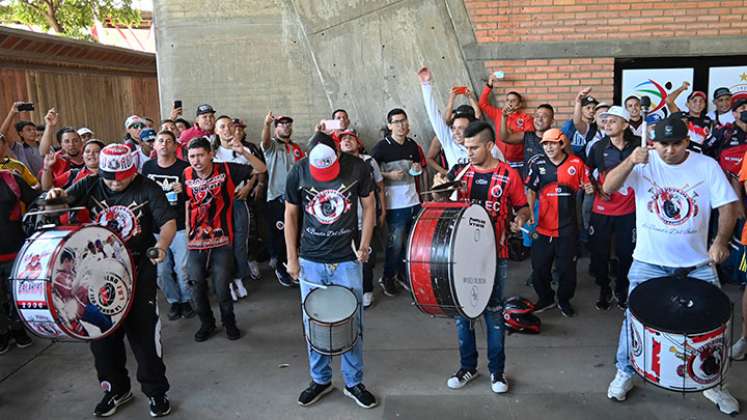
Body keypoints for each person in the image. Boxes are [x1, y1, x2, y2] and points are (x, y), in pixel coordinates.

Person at [602, 116, 739, 416]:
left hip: (697, 263)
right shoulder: (643, 161)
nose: (669, 150)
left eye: (676, 143)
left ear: (686, 141)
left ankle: (712, 382)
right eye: (663, 144)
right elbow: (608, 188)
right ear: (654, 142)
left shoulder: (705, 166)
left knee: (712, 326)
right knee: (633, 322)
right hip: (649, 261)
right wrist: (629, 162)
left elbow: (728, 206)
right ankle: (625, 371)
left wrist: (721, 241)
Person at [47, 143, 177, 417]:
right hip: (94, 274)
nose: (114, 184)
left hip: (138, 270)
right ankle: (115, 389)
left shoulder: (147, 188)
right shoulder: (90, 184)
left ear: (132, 171)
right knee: (101, 335)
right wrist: (56, 195)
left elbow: (168, 223)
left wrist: (162, 246)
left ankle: (156, 392)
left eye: (121, 179)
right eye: (109, 178)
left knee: (143, 335)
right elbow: (57, 203)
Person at [431, 120, 529, 394]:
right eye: (466, 147)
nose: (469, 152)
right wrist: (440, 186)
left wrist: (520, 219)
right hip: (460, 256)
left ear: (489, 145)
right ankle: (468, 367)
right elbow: (442, 202)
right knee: (463, 314)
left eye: (474, 147)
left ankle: (497, 372)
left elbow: (523, 208)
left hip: (496, 256)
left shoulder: (509, 175)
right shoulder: (460, 172)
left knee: (494, 314)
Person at [284, 132, 377, 409]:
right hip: (311, 260)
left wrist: (365, 245)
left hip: (347, 259)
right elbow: (290, 214)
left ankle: (353, 381)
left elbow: (369, 205)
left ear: (337, 152)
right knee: (315, 322)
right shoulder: (298, 171)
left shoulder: (357, 167)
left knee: (352, 322)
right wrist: (292, 258)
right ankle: (320, 379)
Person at [183, 137, 264, 342]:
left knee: (221, 286)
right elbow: (187, 205)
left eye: (201, 155)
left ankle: (229, 323)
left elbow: (261, 169)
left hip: (221, 239)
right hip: (196, 241)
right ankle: (206, 324)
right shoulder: (185, 174)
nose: (197, 160)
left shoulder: (227, 170)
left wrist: (244, 152)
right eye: (192, 156)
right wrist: (187, 233)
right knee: (196, 284)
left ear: (211, 154)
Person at [523, 129, 590, 317]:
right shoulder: (537, 163)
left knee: (567, 271)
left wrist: (590, 188)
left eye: (553, 143)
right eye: (545, 144)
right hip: (543, 228)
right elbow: (531, 189)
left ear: (562, 143)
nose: (549, 147)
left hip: (568, 229)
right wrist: (530, 212)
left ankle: (563, 300)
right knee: (539, 269)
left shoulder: (576, 163)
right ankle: (545, 298)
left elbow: (588, 186)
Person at [585, 106, 638, 310]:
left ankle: (622, 289)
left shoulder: (637, 146)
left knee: (627, 253)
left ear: (625, 124)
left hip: (628, 211)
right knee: (599, 253)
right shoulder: (598, 147)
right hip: (602, 209)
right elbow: (588, 171)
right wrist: (595, 186)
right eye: (605, 121)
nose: (607, 124)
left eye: (612, 121)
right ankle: (604, 288)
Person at [212, 116, 268, 300]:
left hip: (239, 202)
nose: (227, 129)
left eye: (229, 125)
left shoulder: (243, 149)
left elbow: (259, 169)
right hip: (218, 205)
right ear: (216, 131)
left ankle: (238, 278)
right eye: (222, 126)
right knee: (223, 245)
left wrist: (248, 186)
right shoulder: (212, 153)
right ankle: (226, 281)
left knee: (240, 243)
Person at [371, 108, 425, 296]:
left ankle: (403, 275)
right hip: (394, 205)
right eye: (396, 122)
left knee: (410, 243)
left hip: (413, 202)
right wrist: (388, 175)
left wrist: (417, 168)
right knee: (395, 244)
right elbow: (369, 172)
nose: (401, 125)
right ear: (389, 125)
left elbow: (417, 170)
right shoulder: (381, 147)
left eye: (403, 120)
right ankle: (387, 277)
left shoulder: (412, 145)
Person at [141, 130, 194, 321]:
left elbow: (195, 196)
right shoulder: (147, 167)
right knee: (162, 271)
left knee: (183, 268)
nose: (164, 144)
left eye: (168, 141)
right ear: (154, 145)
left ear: (175, 146)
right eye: (160, 141)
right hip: (156, 228)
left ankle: (187, 300)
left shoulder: (185, 167)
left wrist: (185, 190)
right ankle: (174, 301)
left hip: (180, 226)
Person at [417, 67, 504, 173]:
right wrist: (426, 85)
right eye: (454, 128)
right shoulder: (448, 140)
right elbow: (433, 115)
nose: (456, 132)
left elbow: (502, 170)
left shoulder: (487, 146)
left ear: (471, 129)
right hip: (457, 189)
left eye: (461, 128)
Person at [338, 129, 385, 308]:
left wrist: (383, 210)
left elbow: (379, 185)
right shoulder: (336, 164)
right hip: (343, 221)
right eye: (343, 139)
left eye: (351, 138)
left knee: (366, 258)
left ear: (359, 143)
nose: (347, 141)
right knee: (345, 259)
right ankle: (349, 290)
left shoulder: (368, 161)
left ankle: (366, 290)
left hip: (365, 219)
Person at [260, 112, 304, 287]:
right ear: (276, 128)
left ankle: (295, 266)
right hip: (277, 197)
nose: (285, 126)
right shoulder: (272, 147)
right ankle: (281, 267)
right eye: (281, 124)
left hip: (297, 199)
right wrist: (267, 125)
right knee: (280, 235)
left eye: (288, 123)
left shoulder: (297, 147)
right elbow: (264, 142)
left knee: (297, 233)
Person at [0, 169, 39, 353]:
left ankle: (18, 328)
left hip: (15, 251)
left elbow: (36, 200)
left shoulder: (11, 179)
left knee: (17, 293)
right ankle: (2, 332)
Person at [233, 118, 266, 281]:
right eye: (235, 128)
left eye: (240, 129)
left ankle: (252, 259)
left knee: (252, 229)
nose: (238, 132)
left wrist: (256, 185)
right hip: (231, 196)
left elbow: (259, 168)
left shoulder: (250, 147)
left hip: (249, 193)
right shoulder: (218, 148)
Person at [479, 73, 533, 170]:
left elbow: (529, 138)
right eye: (507, 100)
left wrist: (512, 133)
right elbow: (482, 103)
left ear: (519, 104)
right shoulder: (498, 113)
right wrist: (489, 85)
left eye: (513, 100)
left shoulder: (526, 118)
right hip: (499, 159)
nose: (509, 103)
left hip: (519, 162)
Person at [666, 82, 714, 153]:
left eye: (701, 101)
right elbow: (669, 101)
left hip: (699, 156)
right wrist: (682, 88)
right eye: (694, 101)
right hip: (682, 154)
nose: (698, 104)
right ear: (687, 104)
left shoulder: (709, 120)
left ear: (704, 105)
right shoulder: (681, 116)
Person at [39, 109, 84, 178]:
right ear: (61, 144)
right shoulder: (56, 159)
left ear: (81, 142)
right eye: (67, 141)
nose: (71, 144)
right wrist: (49, 126)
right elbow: (43, 152)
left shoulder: (89, 155)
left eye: (75, 141)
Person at [0, 101, 43, 175]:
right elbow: (2, 134)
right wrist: (12, 112)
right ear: (21, 133)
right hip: (29, 184)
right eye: (28, 130)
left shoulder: (44, 146)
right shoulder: (18, 148)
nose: (33, 131)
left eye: (34, 129)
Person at [562, 89, 599, 155]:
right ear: (580, 109)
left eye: (594, 108)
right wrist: (578, 101)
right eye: (588, 108)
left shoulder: (596, 126)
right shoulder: (570, 124)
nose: (591, 110)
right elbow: (577, 122)